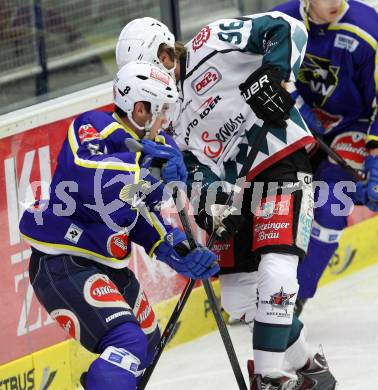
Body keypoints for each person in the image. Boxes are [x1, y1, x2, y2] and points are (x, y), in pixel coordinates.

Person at [116, 14, 337, 389]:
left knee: (276, 269)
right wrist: (214, 206)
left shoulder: (212, 41)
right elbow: (191, 167)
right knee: (239, 298)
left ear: (167, 54)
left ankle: (270, 377)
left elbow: (287, 28)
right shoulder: (167, 112)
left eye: (153, 70)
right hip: (238, 184)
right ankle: (309, 367)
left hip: (280, 158)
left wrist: (274, 74)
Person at [19, 61, 219, 390]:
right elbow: (85, 172)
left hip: (107, 265)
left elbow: (139, 212)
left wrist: (176, 248)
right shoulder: (94, 126)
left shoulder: (159, 149)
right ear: (140, 109)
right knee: (127, 342)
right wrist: (143, 164)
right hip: (65, 261)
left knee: (148, 341)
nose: (166, 120)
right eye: (162, 110)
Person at [273, 0, 378, 315]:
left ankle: (293, 300)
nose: (335, 2)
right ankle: (259, 283)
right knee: (273, 197)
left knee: (332, 203)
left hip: (353, 125)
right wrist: (291, 101)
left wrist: (374, 156)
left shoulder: (367, 28)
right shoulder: (280, 20)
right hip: (297, 122)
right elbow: (251, 66)